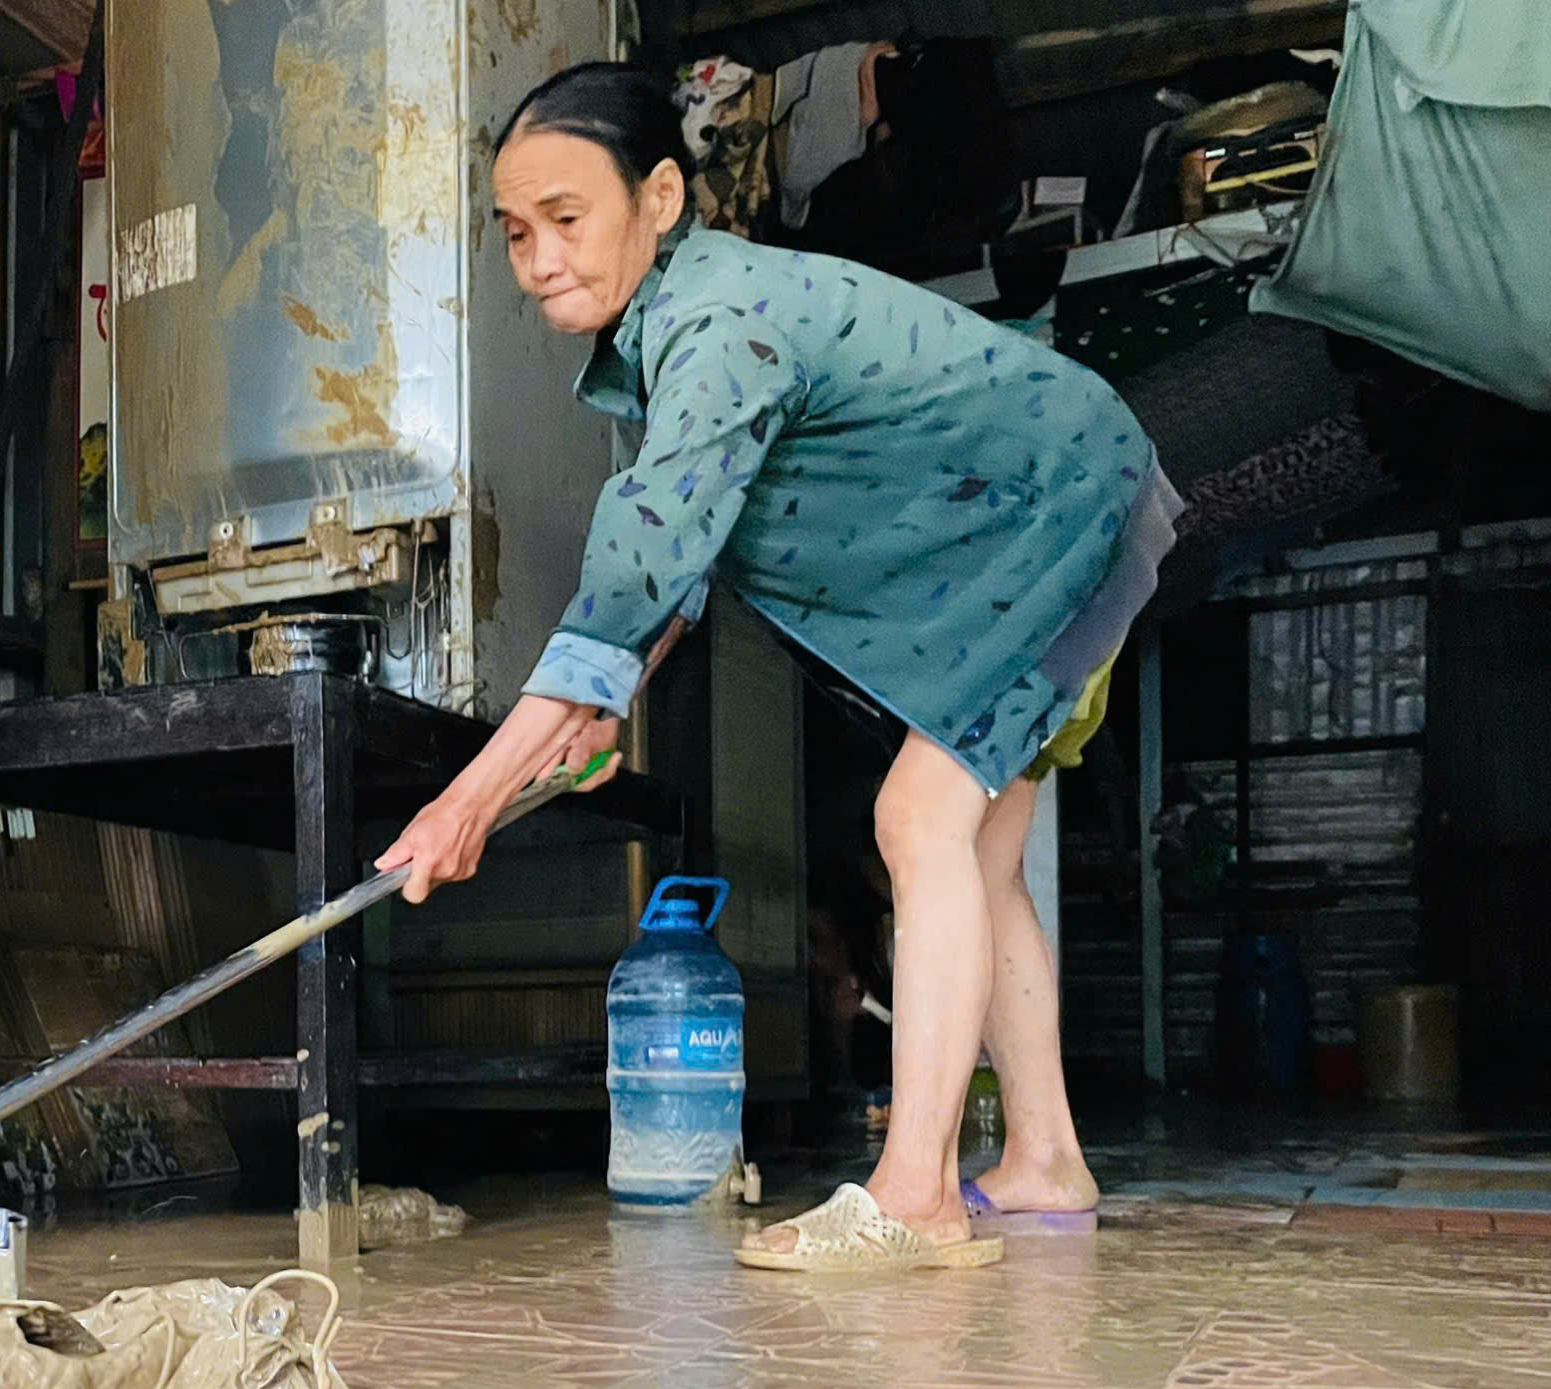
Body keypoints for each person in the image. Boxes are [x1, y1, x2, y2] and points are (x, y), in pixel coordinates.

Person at [375, 63, 1180, 1271]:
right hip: (1050, 502)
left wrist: (468, 800)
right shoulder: (682, 325)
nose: (538, 256)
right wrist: (603, 700)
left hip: (1053, 507)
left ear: (657, 196)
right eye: (515, 232)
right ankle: (1045, 1159)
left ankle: (915, 1198)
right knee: (982, 848)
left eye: (566, 219)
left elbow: (635, 576)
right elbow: (673, 566)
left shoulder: (717, 325)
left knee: (920, 821)